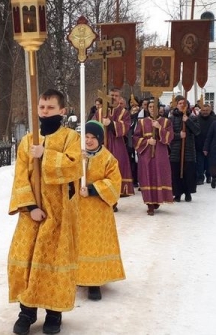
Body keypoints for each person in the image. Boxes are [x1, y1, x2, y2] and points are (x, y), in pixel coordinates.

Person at [7, 88, 82, 335]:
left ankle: (54, 314)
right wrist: (30, 207)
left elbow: (74, 168)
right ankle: (26, 312)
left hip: (59, 214)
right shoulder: (28, 140)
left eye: (50, 108)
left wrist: (46, 155)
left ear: (62, 111)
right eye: (41, 107)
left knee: (53, 262)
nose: (45, 111)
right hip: (33, 213)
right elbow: (20, 176)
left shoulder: (71, 138)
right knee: (28, 259)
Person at [77, 120, 126, 301]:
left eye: (92, 138)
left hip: (98, 210)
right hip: (78, 209)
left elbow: (114, 184)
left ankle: (95, 283)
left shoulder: (108, 158)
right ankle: (81, 276)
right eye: (86, 137)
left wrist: (92, 189)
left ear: (100, 139)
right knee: (78, 244)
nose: (89, 141)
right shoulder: (77, 155)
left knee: (95, 246)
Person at [133, 100, 174, 215]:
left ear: (159, 108)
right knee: (148, 176)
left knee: (159, 175)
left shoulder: (166, 121)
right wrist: (147, 141)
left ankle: (158, 199)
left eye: (154, 106)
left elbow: (170, 137)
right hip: (146, 155)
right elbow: (135, 138)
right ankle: (149, 203)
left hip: (161, 154)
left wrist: (159, 127)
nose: (151, 108)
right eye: (150, 107)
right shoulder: (142, 122)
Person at [95, 88, 134, 198]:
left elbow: (126, 127)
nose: (113, 98)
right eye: (111, 95)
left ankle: (115, 197)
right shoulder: (100, 111)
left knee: (117, 167)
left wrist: (111, 123)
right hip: (102, 143)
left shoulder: (124, 112)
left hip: (117, 143)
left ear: (120, 98)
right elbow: (92, 125)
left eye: (116, 95)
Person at [168, 96, 200, 202]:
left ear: (187, 106)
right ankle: (177, 193)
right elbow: (168, 134)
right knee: (176, 173)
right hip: (176, 151)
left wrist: (187, 121)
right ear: (177, 105)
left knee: (188, 173)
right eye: (180, 103)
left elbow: (197, 131)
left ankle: (187, 193)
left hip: (188, 150)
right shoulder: (171, 118)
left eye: (184, 103)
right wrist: (178, 135)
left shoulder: (193, 117)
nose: (182, 105)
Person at [194, 104, 216, 185]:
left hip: (211, 146)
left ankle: (209, 176)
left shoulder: (215, 120)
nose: (205, 112)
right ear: (201, 111)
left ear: (210, 111)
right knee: (199, 163)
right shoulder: (196, 119)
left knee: (209, 162)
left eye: (207, 110)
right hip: (199, 145)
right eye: (203, 110)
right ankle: (200, 178)